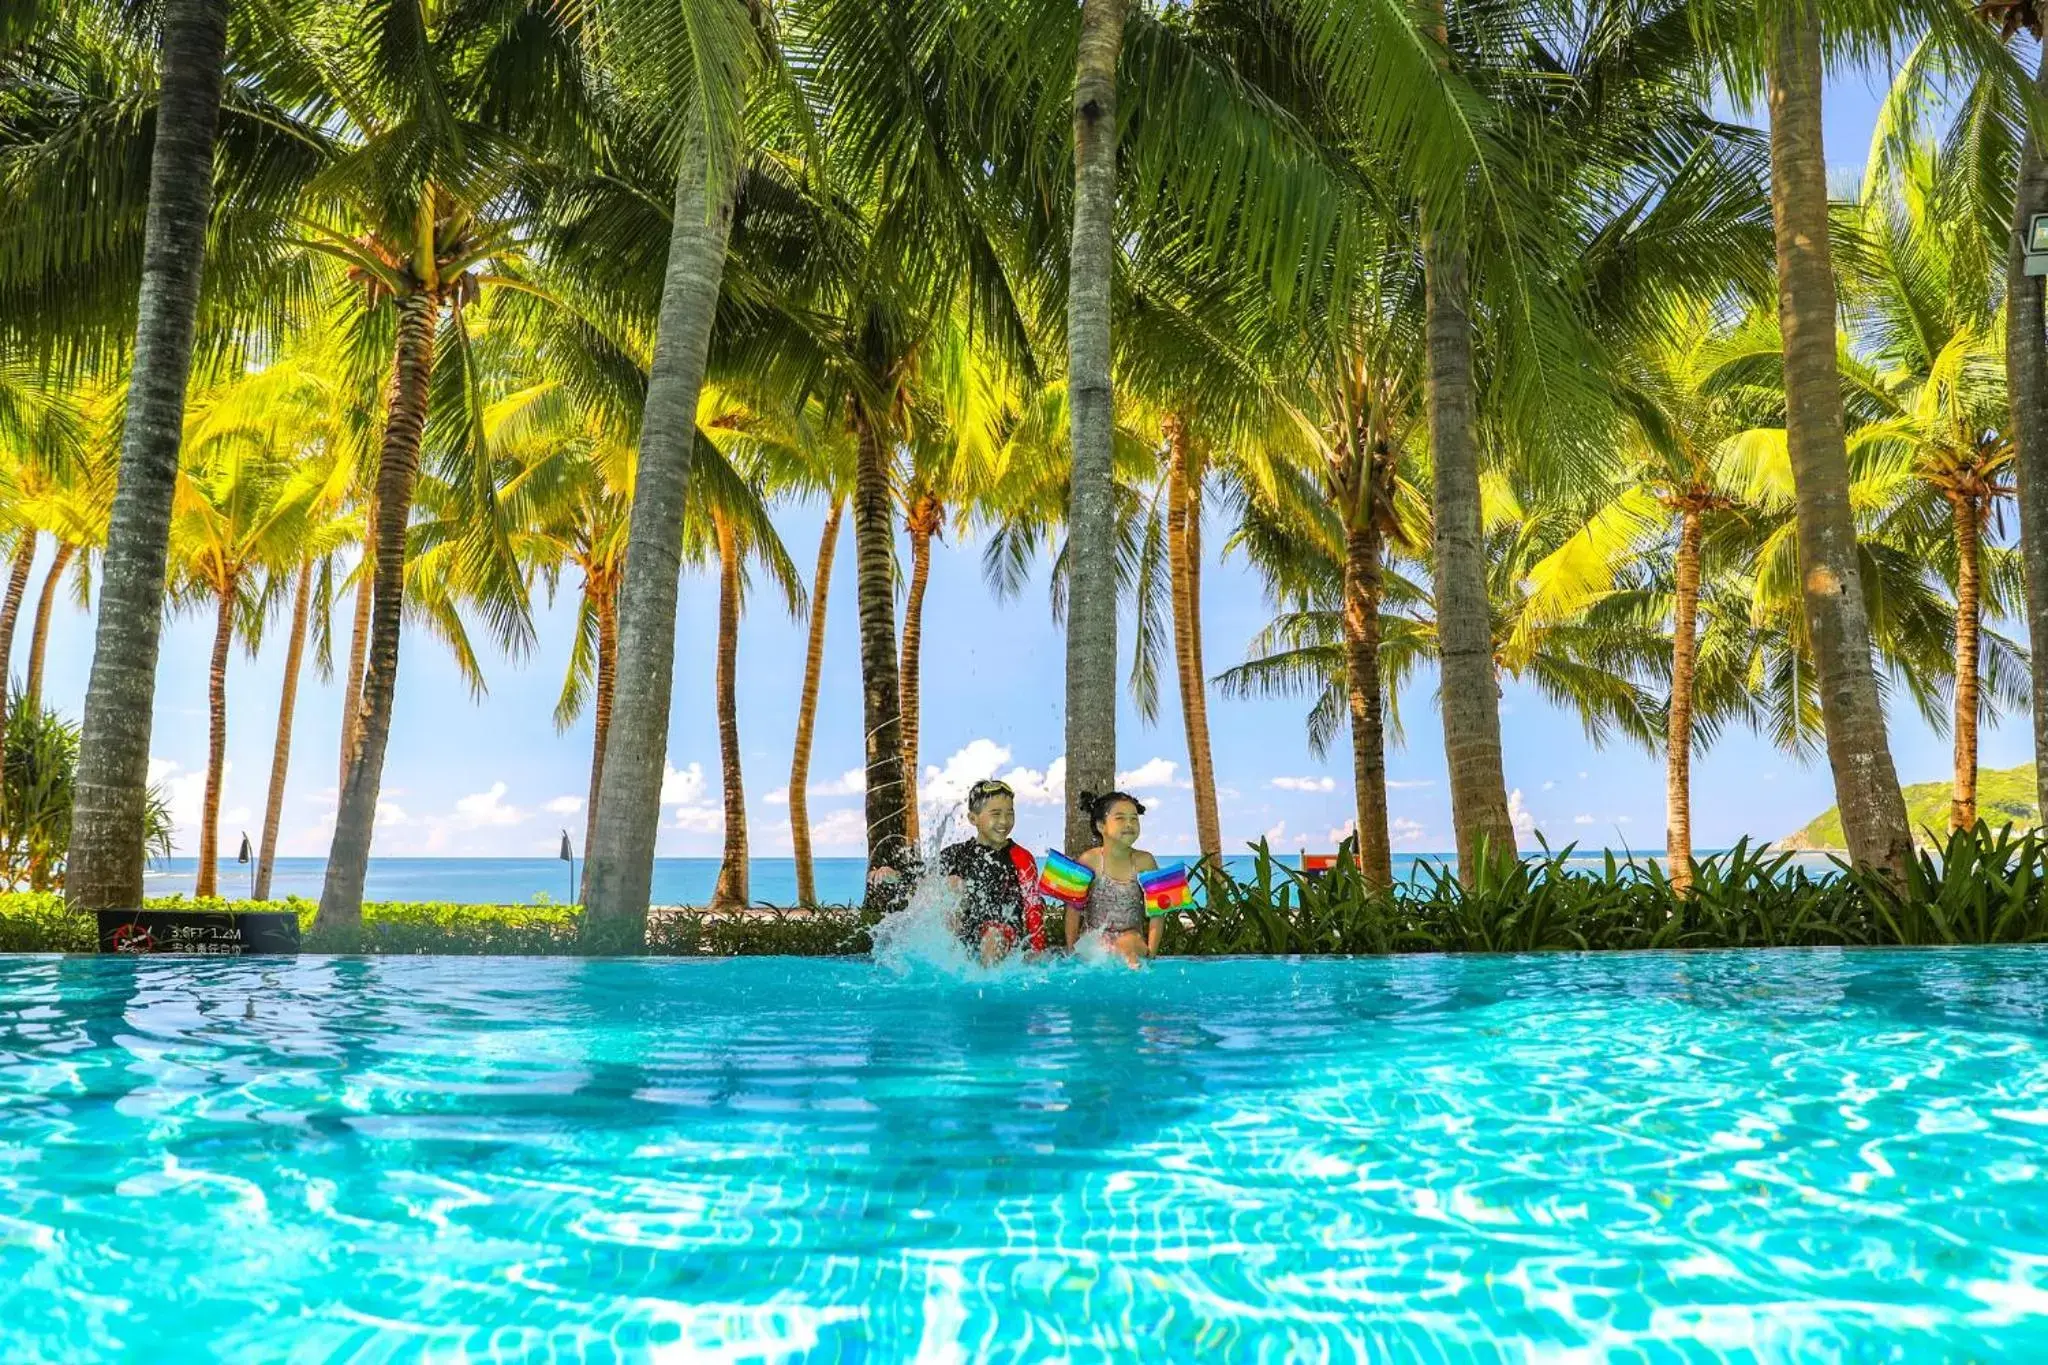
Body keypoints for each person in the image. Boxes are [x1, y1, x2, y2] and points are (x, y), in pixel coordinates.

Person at [934, 779, 1045, 965]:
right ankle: (948, 956)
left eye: (1010, 814)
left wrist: (1037, 949)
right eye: (996, 814)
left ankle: (987, 989)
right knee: (952, 883)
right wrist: (893, 876)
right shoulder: (956, 854)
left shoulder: (1021, 857)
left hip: (1003, 933)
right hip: (965, 932)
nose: (1004, 821)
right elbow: (922, 880)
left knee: (993, 936)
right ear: (973, 819)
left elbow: (1033, 905)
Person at [1072, 790, 1161, 967]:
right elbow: (1072, 908)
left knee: (1128, 941)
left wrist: (1151, 951)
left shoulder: (1145, 862)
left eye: (1134, 818)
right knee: (1095, 945)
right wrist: (1070, 949)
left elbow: (1158, 912)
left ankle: (1135, 972)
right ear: (1101, 826)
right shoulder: (1089, 861)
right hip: (1094, 940)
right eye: (1120, 818)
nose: (1129, 824)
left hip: (1132, 940)